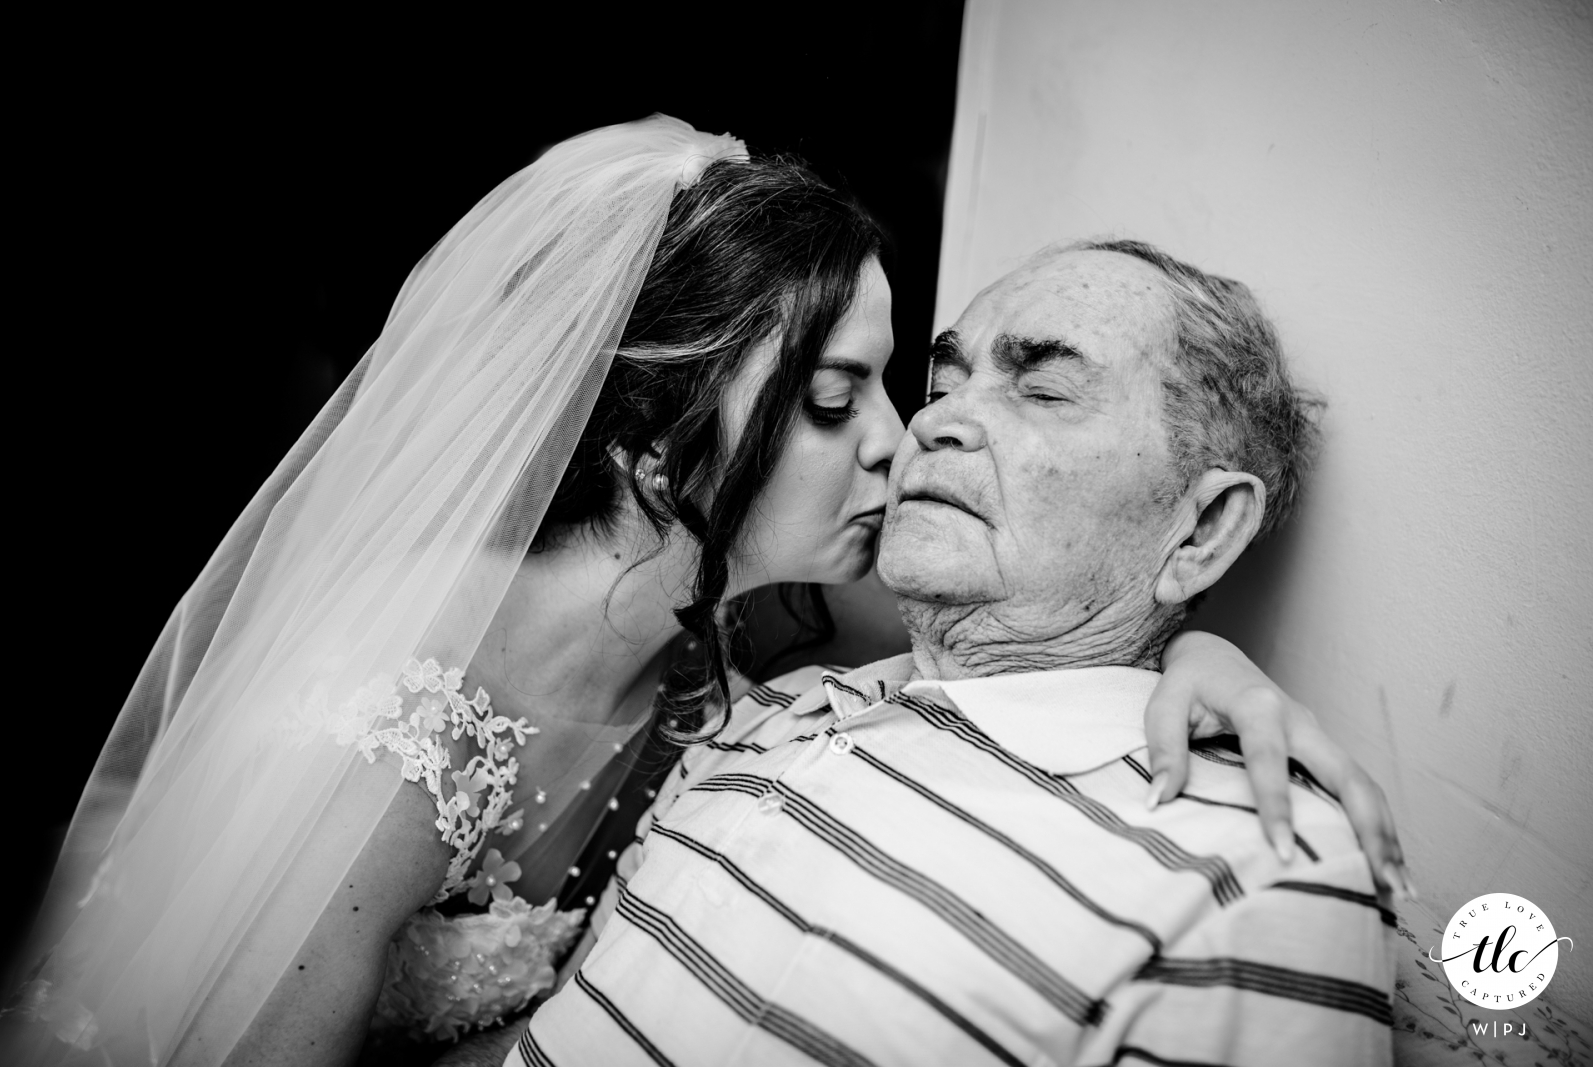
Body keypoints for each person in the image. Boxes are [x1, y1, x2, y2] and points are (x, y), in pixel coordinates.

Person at [0, 119, 1401, 1067]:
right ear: (653, 449)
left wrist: (1197, 651)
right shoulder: (399, 719)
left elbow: (1032, 645)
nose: (910, 439)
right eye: (844, 394)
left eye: (898, 391)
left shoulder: (758, 632)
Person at [507, 240, 1397, 1067]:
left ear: (1200, 529)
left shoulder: (1260, 866)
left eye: (1043, 392)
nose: (930, 427)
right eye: (945, 382)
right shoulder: (772, 706)